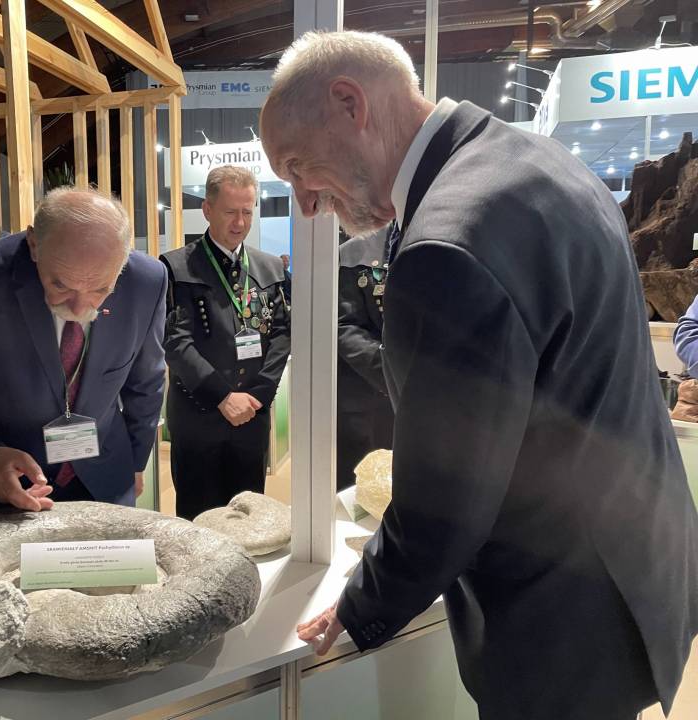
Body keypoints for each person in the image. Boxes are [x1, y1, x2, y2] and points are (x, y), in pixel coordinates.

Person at [260, 31, 698, 720]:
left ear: (350, 104)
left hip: (558, 618)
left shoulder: (447, 243)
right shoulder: (537, 161)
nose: (305, 203)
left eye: (297, 167)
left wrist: (363, 601)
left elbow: (446, 499)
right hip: (634, 570)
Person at [0, 187, 166, 516]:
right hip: (3, 490)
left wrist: (136, 462)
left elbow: (146, 381)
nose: (79, 308)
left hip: (105, 479)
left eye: (100, 289)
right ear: (34, 244)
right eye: (61, 285)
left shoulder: (146, 283)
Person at [160, 166, 291, 520]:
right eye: (230, 212)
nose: (240, 222)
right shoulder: (177, 268)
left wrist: (258, 395)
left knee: (249, 517)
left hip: (252, 417)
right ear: (207, 209)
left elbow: (281, 333)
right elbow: (176, 342)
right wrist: (222, 396)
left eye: (247, 211)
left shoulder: (270, 268)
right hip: (198, 417)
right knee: (199, 519)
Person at [336, 228, 394, 491]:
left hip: (423, 400)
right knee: (358, 493)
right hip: (366, 399)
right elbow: (344, 326)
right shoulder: (354, 254)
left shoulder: (431, 243)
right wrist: (391, 371)